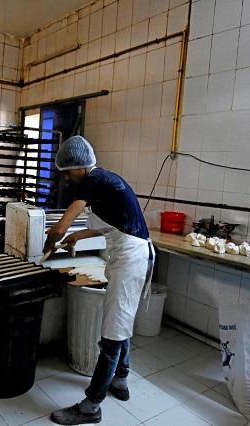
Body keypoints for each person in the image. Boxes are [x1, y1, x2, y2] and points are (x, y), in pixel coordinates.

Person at [43, 135, 155, 425]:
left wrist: (50, 244)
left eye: (67, 172)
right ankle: (120, 380)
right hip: (127, 255)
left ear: (80, 166)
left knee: (112, 333)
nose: (66, 178)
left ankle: (91, 406)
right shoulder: (103, 181)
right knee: (121, 320)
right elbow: (113, 225)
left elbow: (60, 225)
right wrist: (79, 235)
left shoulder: (93, 180)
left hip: (131, 259)